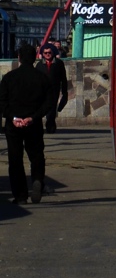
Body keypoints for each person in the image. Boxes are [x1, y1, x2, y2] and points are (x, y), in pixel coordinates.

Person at [0, 43, 57, 204]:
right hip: (34, 123)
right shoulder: (42, 78)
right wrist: (33, 117)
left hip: (14, 125)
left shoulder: (9, 78)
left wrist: (13, 117)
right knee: (37, 155)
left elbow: (2, 102)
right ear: (34, 58)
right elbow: (49, 102)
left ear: (19, 58)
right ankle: (37, 180)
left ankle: (20, 195)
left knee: (15, 159)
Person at [36, 44, 69, 133]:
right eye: (45, 53)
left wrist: (64, 92)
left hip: (54, 90)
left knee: (52, 108)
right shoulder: (39, 65)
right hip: (42, 90)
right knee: (42, 108)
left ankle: (50, 126)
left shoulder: (58, 63)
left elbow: (63, 78)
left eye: (49, 52)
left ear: (53, 52)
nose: (47, 54)